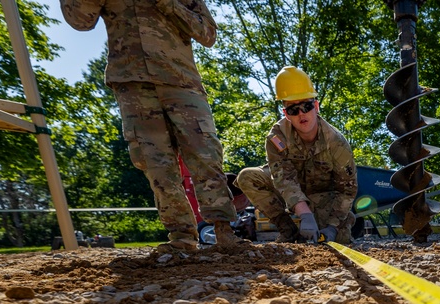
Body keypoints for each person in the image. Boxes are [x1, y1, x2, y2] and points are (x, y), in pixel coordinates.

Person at [61, 0, 242, 252]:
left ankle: (224, 231)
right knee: (156, 164)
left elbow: (207, 33)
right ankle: (182, 238)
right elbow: (80, 21)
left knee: (205, 155)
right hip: (132, 82)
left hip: (181, 80)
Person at [235, 66, 356, 244]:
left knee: (339, 238)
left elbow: (346, 191)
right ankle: (288, 231)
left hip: (322, 197)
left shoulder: (336, 143)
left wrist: (331, 226)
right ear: (286, 114)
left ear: (316, 106)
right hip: (291, 194)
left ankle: (333, 225)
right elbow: (283, 178)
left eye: (306, 106)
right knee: (248, 177)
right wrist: (305, 214)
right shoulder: (277, 137)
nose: (301, 114)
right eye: (293, 109)